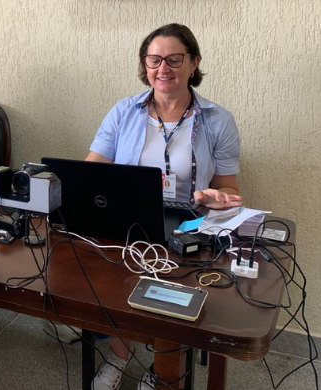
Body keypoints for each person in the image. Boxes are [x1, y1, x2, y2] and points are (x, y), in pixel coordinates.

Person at [85, 24, 242, 390]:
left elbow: (229, 189)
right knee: (97, 283)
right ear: (145, 64)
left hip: (189, 226)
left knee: (173, 302)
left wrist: (217, 197)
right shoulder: (124, 111)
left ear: (194, 63)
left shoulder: (218, 120)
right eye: (154, 60)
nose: (163, 68)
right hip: (127, 222)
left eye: (174, 59)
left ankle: (163, 369)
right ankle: (119, 355)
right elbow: (91, 172)